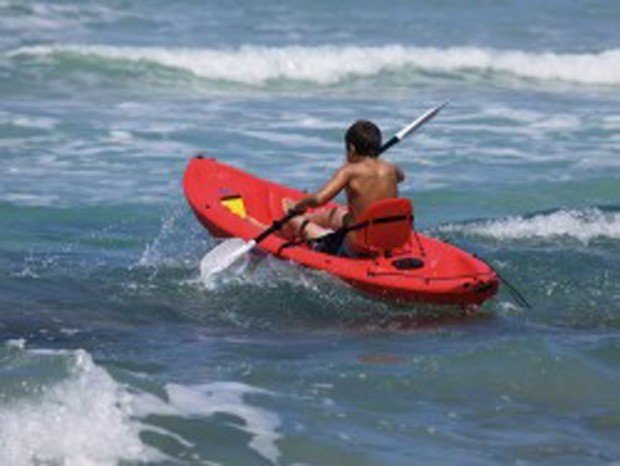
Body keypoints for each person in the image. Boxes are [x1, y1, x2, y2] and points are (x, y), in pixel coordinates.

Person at [282, 119, 405, 256]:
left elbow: (318, 199)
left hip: (358, 248)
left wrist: (300, 205)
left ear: (352, 148)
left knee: (292, 218)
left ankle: (283, 229)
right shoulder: (391, 169)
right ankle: (312, 220)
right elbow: (401, 177)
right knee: (338, 213)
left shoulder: (349, 171)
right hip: (387, 242)